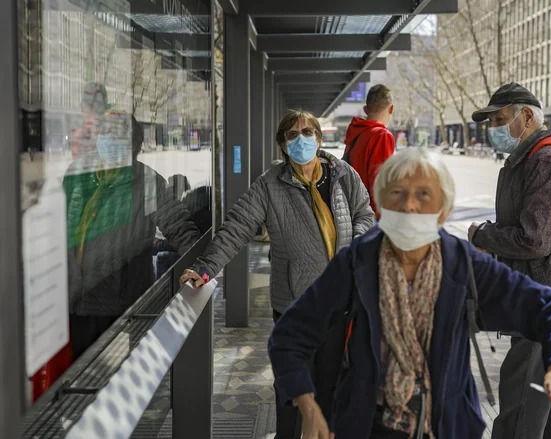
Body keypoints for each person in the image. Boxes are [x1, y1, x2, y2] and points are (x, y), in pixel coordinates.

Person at [268, 147, 551, 439]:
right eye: (397, 193)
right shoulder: (358, 261)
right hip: (367, 424)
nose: (409, 204)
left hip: (447, 425)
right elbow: (289, 335)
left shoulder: (463, 263)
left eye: (423, 194)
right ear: (380, 203)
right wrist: (307, 405)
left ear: (444, 210)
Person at [180, 110, 374, 439]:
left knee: (330, 384)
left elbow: (364, 214)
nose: (302, 139)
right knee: (291, 387)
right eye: (293, 135)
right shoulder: (270, 185)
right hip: (294, 305)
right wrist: (205, 267)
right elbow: (237, 227)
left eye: (308, 132)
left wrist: (356, 246)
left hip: (340, 301)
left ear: (320, 138)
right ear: (284, 146)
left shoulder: (344, 174)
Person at [468, 82, 551, 439]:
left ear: (527, 116)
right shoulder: (529, 158)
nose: (493, 128)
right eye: (490, 121)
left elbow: (535, 239)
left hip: (544, 302)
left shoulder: (549, 161)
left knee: (520, 409)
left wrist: (481, 235)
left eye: (500, 118)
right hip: (542, 297)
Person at [64, 110, 201, 359]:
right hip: (76, 301)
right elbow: (60, 229)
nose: (109, 140)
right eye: (105, 133)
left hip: (120, 306)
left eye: (118, 135)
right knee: (76, 379)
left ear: (134, 144)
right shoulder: (78, 175)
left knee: (114, 377)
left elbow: (180, 227)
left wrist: (203, 267)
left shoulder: (147, 181)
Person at [343, 84, 396, 217]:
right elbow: (379, 180)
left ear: (366, 109)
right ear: (391, 109)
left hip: (351, 208)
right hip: (370, 213)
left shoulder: (356, 133)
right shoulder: (382, 135)